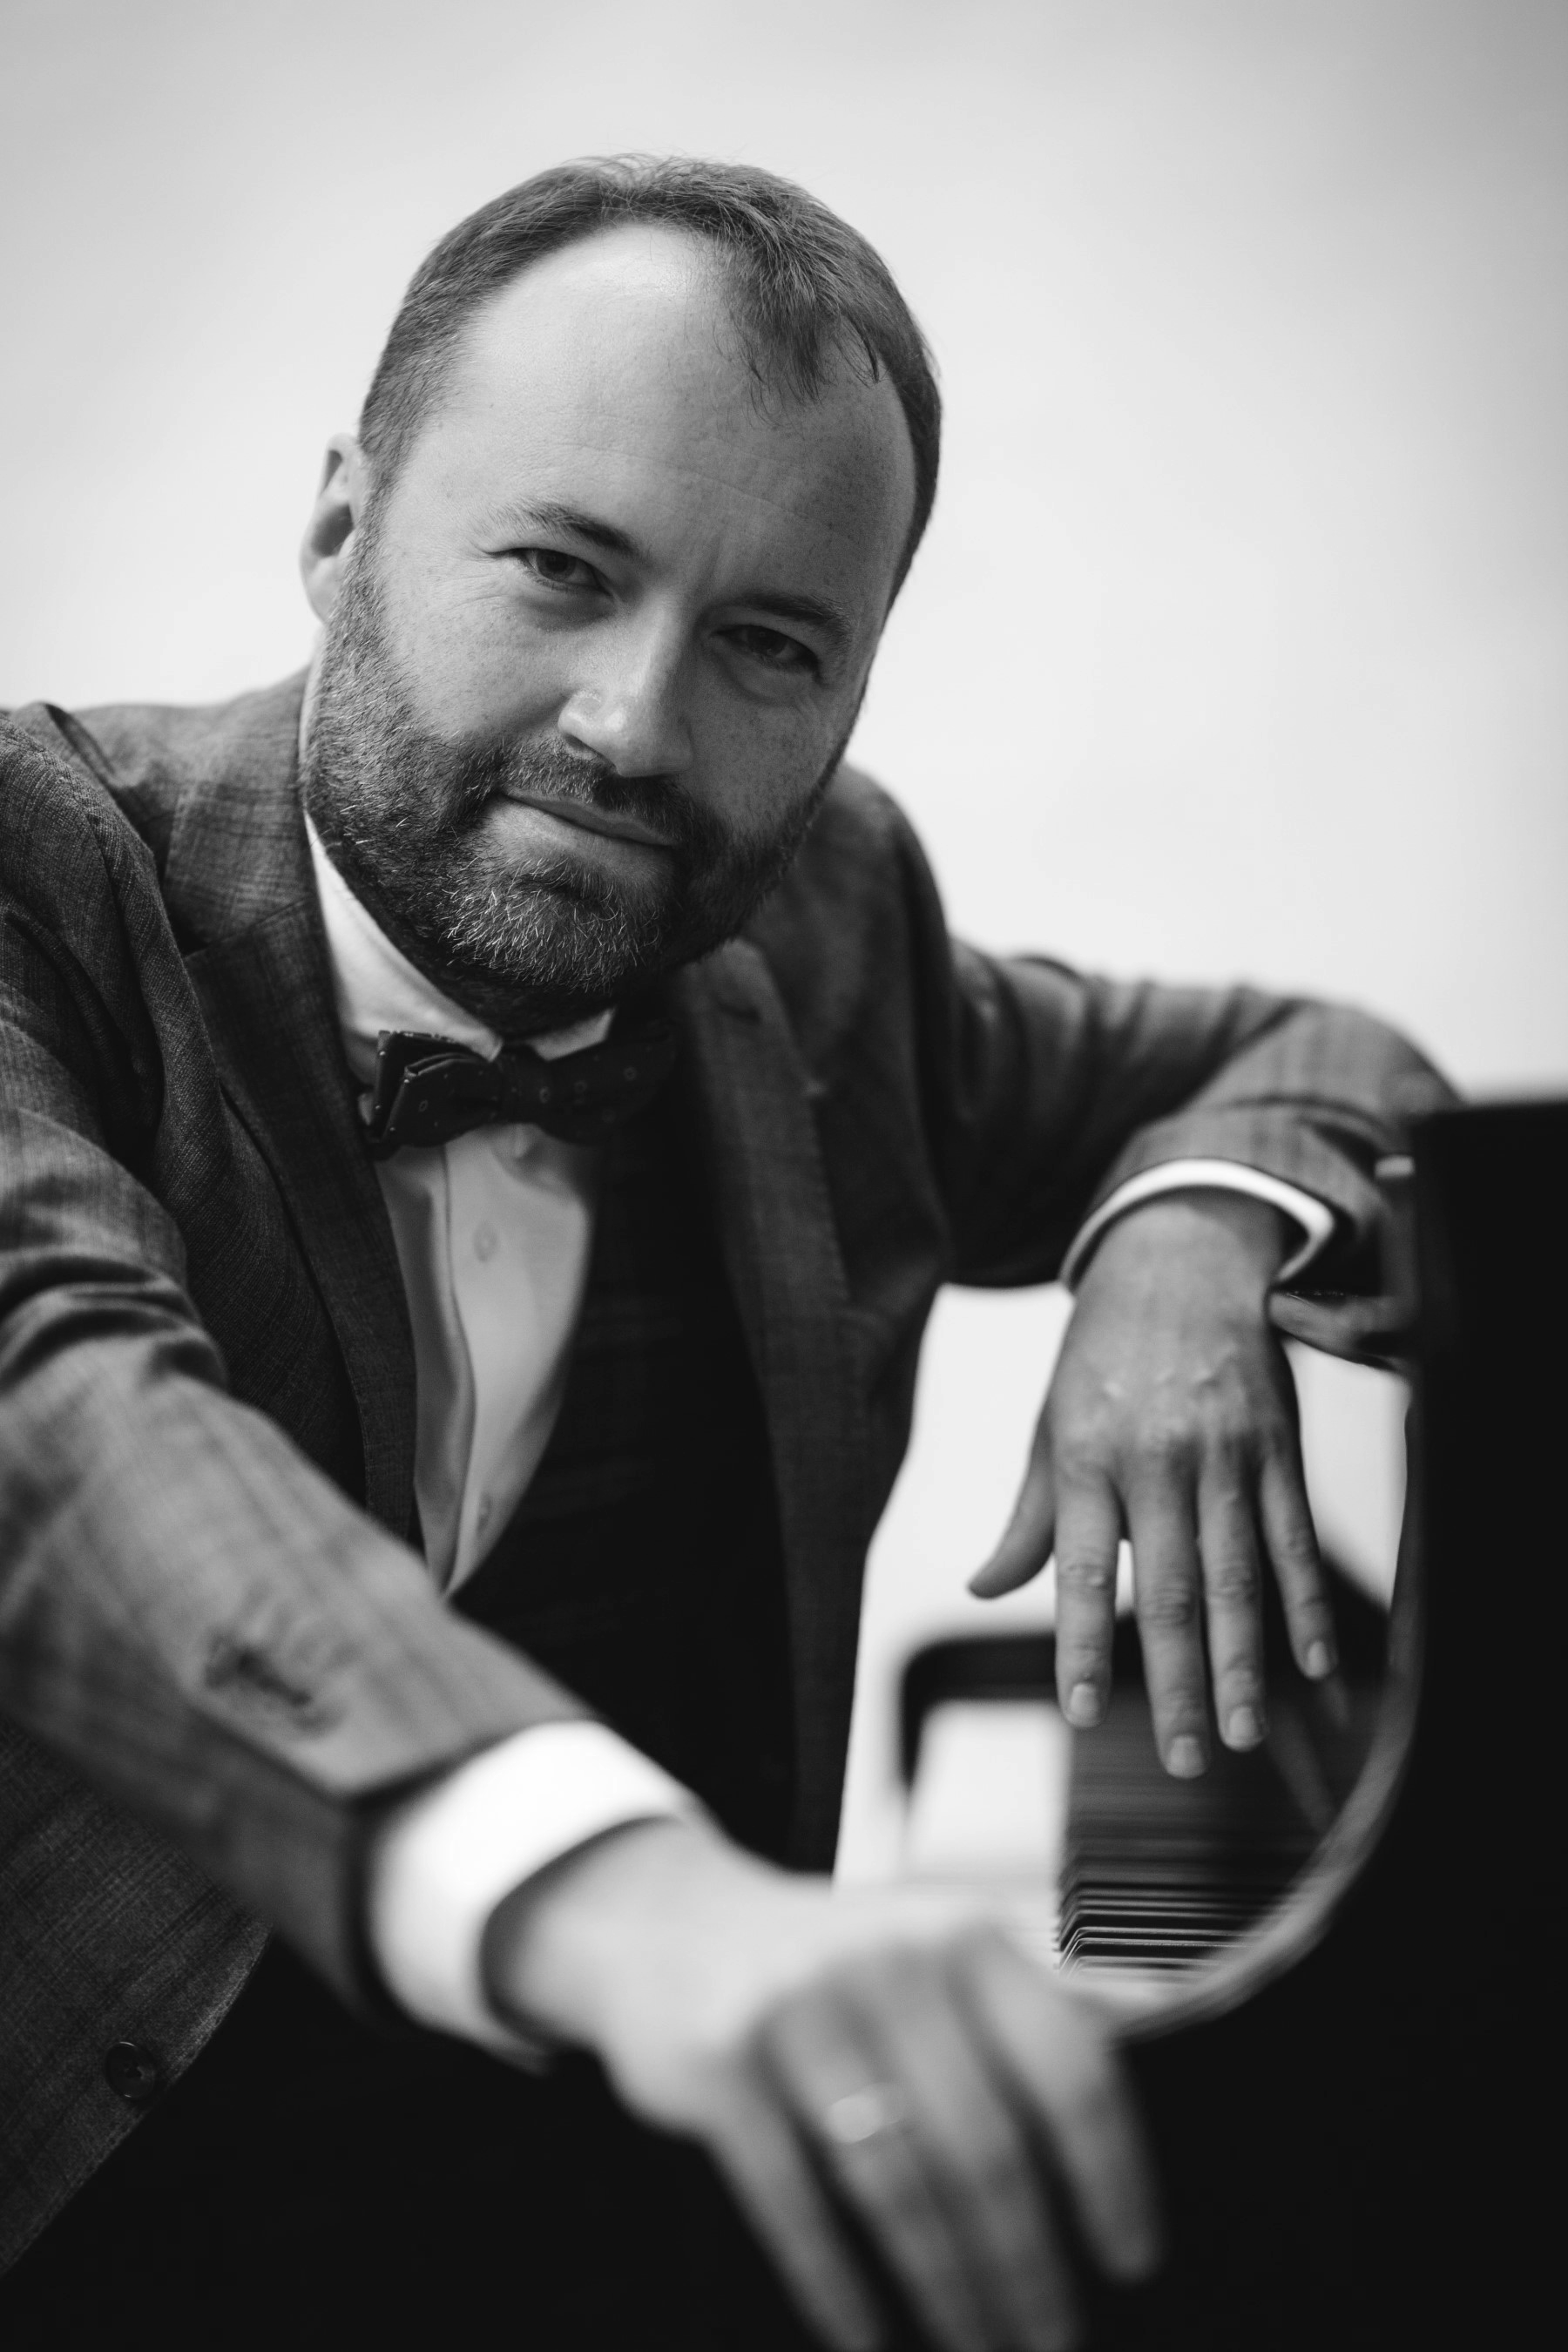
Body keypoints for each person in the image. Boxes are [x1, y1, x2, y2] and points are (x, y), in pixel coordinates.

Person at [0, 158, 1445, 2349]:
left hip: (627, 2254)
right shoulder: (35, 879)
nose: (637, 727)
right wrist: (635, 1910)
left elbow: (1306, 1056)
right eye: (562, 571)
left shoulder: (826, 920)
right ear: (338, 525)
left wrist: (1182, 1235)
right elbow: (63, 1430)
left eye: (770, 644)